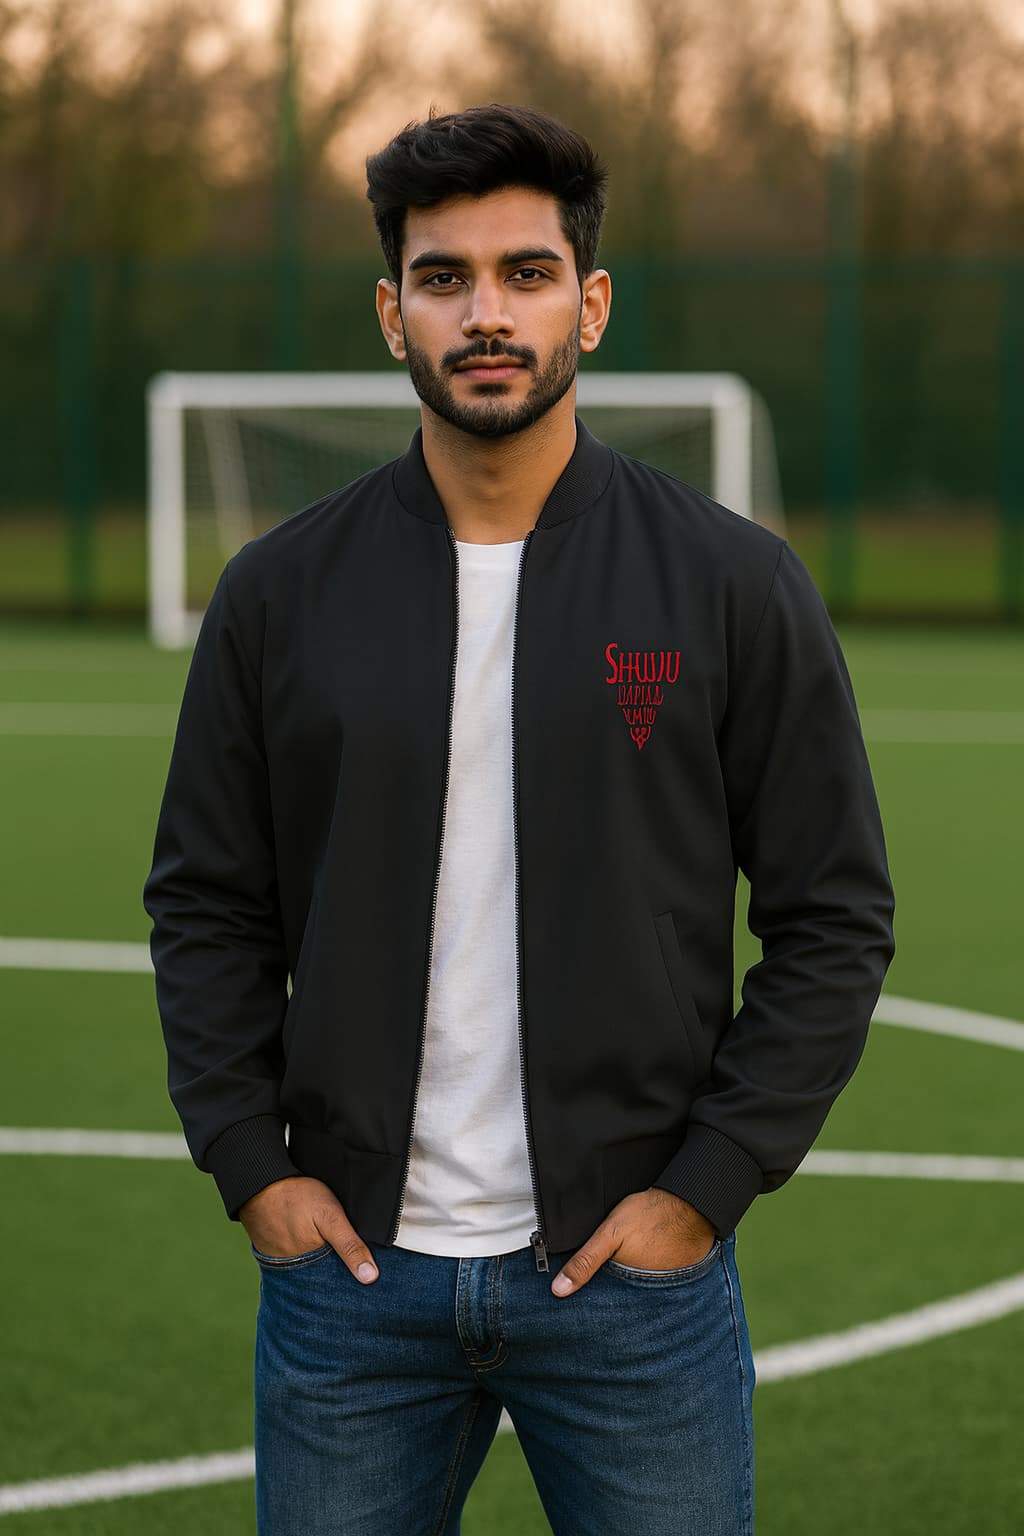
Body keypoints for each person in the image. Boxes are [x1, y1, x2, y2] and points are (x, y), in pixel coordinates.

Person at [144, 103, 895, 1536]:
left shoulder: (734, 586)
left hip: (632, 1282)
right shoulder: (277, 593)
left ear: (591, 304)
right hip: (351, 1285)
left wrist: (705, 1189)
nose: (486, 314)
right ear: (392, 313)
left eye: (525, 273)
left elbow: (836, 915)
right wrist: (254, 1170)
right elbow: (206, 904)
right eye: (444, 278)